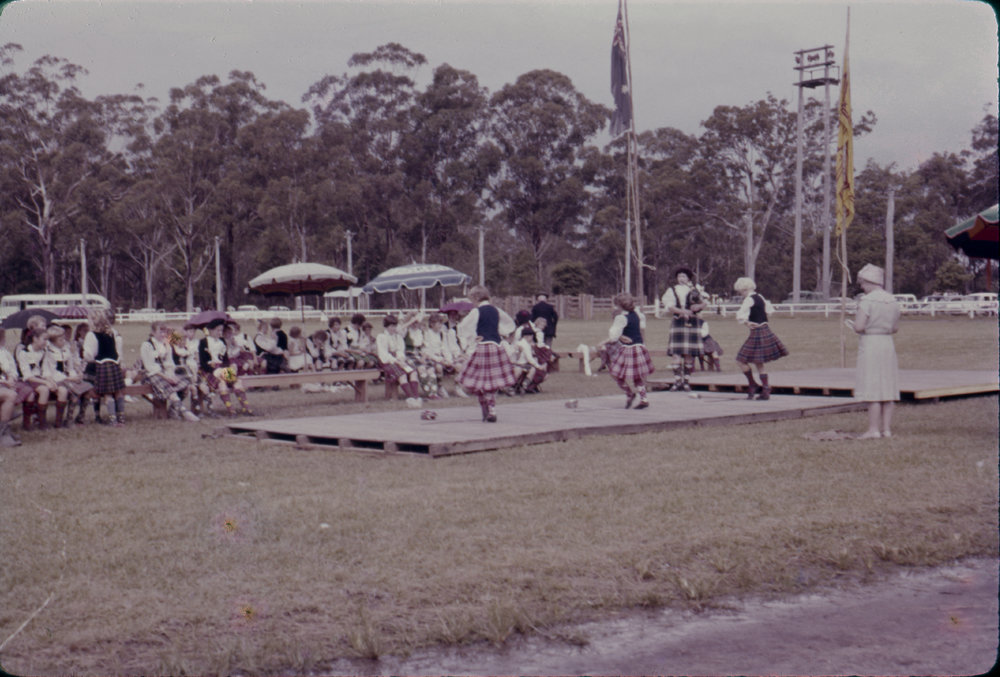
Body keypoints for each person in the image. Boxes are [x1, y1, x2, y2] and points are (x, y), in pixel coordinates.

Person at [848, 263, 901, 439]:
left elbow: (859, 326)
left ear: (869, 282)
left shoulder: (867, 301)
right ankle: (886, 429)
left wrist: (857, 327)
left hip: (871, 343)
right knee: (887, 385)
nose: (862, 287)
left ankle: (873, 429)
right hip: (887, 343)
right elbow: (894, 328)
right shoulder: (892, 300)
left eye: (862, 283)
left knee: (873, 386)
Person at [456, 285, 517, 422]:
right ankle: (490, 409)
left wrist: (473, 339)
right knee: (490, 382)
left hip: (483, 348)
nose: (472, 302)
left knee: (480, 381)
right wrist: (499, 334)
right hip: (496, 347)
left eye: (472, 299)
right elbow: (509, 325)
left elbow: (464, 328)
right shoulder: (497, 310)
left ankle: (486, 407)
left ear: (476, 298)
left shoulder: (477, 312)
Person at [733, 277, 788, 400]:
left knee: (740, 360)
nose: (740, 294)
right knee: (759, 363)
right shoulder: (760, 297)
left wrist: (747, 323)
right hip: (766, 330)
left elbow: (740, 315)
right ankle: (765, 389)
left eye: (740, 291)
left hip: (757, 332)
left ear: (744, 289)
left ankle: (753, 385)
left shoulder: (749, 299)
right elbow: (769, 311)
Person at [140, 321, 200, 422]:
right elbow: (149, 367)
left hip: (165, 373)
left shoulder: (166, 345)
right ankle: (183, 411)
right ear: (153, 332)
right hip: (151, 375)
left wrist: (171, 375)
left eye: (164, 332)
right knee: (165, 385)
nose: (163, 334)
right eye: (160, 332)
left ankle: (173, 409)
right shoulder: (147, 345)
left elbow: (169, 363)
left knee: (186, 382)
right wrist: (165, 377)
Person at [658, 267, 705, 391]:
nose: (681, 279)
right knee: (676, 353)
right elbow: (669, 306)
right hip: (678, 322)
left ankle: (686, 382)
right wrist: (682, 311)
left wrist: (698, 306)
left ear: (688, 278)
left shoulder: (695, 290)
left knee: (689, 354)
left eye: (684, 276)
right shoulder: (671, 290)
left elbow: (704, 303)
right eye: (679, 276)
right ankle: (677, 381)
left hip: (693, 322)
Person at [607, 292, 655, 409]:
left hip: (628, 349)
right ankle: (644, 399)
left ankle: (629, 393)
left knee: (616, 374)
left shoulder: (621, 318)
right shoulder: (638, 314)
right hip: (639, 347)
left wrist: (619, 336)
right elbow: (642, 329)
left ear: (619, 306)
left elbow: (613, 336)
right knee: (637, 376)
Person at [198, 318, 254, 416]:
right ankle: (231, 411)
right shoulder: (204, 342)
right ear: (211, 330)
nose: (220, 332)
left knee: (236, 382)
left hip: (222, 369)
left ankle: (247, 409)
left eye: (221, 330)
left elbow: (225, 360)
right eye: (218, 330)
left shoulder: (222, 341)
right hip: (210, 370)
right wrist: (214, 370)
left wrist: (229, 366)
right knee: (224, 382)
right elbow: (203, 363)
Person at [83, 307, 127, 426]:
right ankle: (121, 418)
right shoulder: (112, 333)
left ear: (92, 321)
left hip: (102, 366)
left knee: (108, 394)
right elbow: (117, 351)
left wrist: (86, 356)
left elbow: (89, 355)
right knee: (118, 392)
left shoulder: (91, 335)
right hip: (114, 365)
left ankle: (113, 420)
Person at [45, 325, 93, 426]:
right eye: (60, 339)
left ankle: (80, 416)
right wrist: (68, 378)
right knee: (75, 392)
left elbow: (70, 367)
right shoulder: (49, 352)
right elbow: (52, 372)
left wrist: (76, 376)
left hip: (69, 378)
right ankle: (68, 419)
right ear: (53, 341)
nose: (64, 341)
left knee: (88, 389)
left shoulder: (66, 350)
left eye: (63, 339)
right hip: (57, 380)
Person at [376, 315, 423, 408]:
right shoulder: (381, 337)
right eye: (391, 326)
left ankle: (416, 397)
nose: (393, 328)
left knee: (413, 371)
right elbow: (383, 354)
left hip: (399, 360)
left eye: (394, 326)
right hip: (387, 362)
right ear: (386, 326)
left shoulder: (398, 336)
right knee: (402, 374)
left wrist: (401, 358)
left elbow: (400, 349)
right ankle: (410, 398)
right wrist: (396, 361)